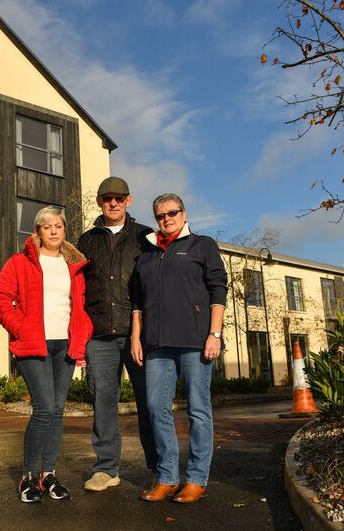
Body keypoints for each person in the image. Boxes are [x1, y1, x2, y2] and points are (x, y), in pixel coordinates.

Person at [0, 206, 93, 503]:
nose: (53, 231)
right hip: (33, 344)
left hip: (65, 344)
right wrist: (19, 327)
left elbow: (81, 307)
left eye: (58, 226)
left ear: (64, 231)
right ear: (37, 232)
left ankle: (48, 474)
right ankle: (28, 476)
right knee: (45, 408)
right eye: (46, 226)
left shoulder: (74, 265)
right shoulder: (19, 263)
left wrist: (82, 338)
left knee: (58, 410)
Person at [131, 193, 227, 504]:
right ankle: (168, 477)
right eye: (160, 215)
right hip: (157, 345)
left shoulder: (203, 245)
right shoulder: (147, 254)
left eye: (172, 213)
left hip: (194, 342)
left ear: (184, 214)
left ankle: (197, 479)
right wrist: (136, 337)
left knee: (198, 411)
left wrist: (215, 333)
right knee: (156, 409)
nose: (166, 218)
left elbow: (218, 290)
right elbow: (137, 303)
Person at [77, 176, 158, 491]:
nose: (113, 203)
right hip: (99, 335)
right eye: (107, 198)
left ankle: (158, 468)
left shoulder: (145, 237)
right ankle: (106, 469)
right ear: (99, 201)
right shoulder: (86, 241)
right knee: (103, 402)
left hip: (139, 333)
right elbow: (76, 287)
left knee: (149, 402)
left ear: (129, 201)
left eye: (119, 198)